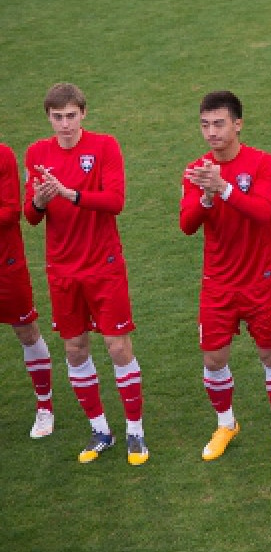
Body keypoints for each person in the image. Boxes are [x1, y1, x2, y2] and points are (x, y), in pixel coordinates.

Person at [24, 83, 148, 464]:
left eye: (71, 116)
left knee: (117, 347)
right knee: (75, 349)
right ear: (49, 118)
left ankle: (135, 432)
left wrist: (69, 192)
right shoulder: (36, 154)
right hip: (62, 271)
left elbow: (115, 201)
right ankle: (100, 430)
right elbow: (30, 217)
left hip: (103, 266)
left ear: (83, 114)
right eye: (57, 117)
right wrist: (40, 201)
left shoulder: (105, 146)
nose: (64, 124)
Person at [180, 91, 271, 464]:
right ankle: (226, 423)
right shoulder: (196, 170)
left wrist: (224, 188)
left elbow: (262, 213)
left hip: (261, 281)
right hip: (218, 284)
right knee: (213, 359)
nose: (211, 132)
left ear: (238, 124)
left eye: (219, 124)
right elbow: (186, 226)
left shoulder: (263, 164)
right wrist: (205, 197)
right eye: (205, 125)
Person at [2, 141, 55, 439]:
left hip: (5, 265)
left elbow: (11, 212)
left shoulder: (2, 155)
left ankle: (45, 406)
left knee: (26, 331)